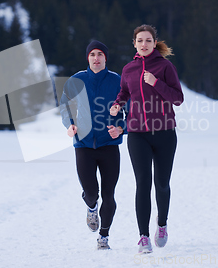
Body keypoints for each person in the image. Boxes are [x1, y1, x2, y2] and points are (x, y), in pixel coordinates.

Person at [110, 24, 184, 254]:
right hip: (137, 134)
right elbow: (124, 92)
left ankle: (161, 225)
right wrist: (117, 104)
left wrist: (156, 83)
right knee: (142, 183)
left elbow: (178, 98)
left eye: (148, 41)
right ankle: (143, 237)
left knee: (161, 184)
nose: (144, 44)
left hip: (164, 133)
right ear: (134, 43)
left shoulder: (164, 66)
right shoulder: (128, 69)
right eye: (140, 40)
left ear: (154, 43)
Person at [60, 40, 126, 250]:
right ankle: (91, 207)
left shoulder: (118, 81)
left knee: (109, 195)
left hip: (109, 145)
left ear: (106, 58)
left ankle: (104, 236)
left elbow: (131, 110)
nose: (96, 58)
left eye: (100, 54)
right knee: (91, 193)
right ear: (87, 58)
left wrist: (121, 128)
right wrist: (70, 124)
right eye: (92, 55)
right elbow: (65, 106)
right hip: (84, 145)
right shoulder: (76, 80)